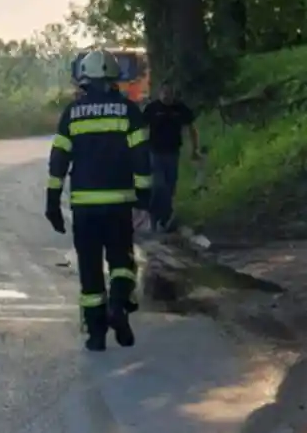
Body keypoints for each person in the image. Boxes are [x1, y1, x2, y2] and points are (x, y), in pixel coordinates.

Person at [45, 49, 152, 352]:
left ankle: (95, 334)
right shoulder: (129, 111)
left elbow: (58, 160)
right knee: (121, 260)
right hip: (119, 203)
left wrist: (52, 201)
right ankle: (118, 304)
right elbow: (141, 156)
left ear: (85, 79)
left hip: (84, 206)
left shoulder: (72, 113)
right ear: (114, 78)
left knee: (90, 268)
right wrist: (144, 195)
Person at [142, 84, 201, 232]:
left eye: (170, 93)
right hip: (155, 152)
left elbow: (191, 128)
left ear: (173, 94)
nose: (167, 96)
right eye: (164, 93)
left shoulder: (180, 109)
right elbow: (141, 128)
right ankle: (154, 216)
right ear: (159, 93)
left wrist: (194, 148)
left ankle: (165, 218)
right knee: (158, 185)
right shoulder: (152, 109)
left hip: (173, 153)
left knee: (170, 187)